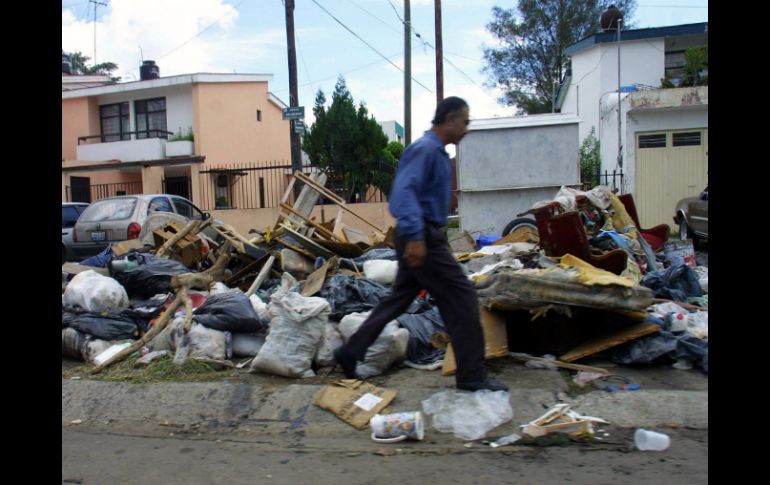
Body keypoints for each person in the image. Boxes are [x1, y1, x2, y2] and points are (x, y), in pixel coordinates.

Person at [334, 96, 508, 392]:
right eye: (464, 122)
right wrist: (416, 238)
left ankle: (350, 352)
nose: (466, 128)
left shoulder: (438, 153)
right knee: (463, 298)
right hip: (421, 237)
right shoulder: (425, 149)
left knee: (397, 300)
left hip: (425, 235)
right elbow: (403, 195)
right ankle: (471, 375)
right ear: (450, 119)